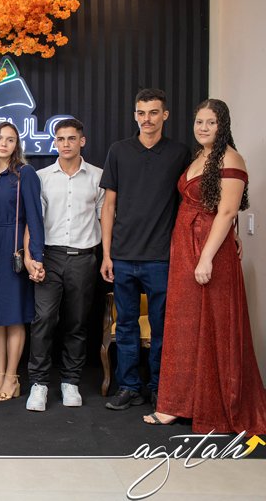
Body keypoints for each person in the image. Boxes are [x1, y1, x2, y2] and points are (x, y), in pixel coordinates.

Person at [144, 99, 266, 433]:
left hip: (207, 250)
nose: (203, 127)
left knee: (211, 324)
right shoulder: (201, 156)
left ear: (222, 125)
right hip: (186, 246)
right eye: (199, 121)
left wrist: (207, 257)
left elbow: (227, 211)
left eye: (211, 122)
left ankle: (210, 404)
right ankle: (178, 404)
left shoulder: (231, 158)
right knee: (185, 324)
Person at [100, 88, 192, 411]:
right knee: (125, 326)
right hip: (123, 256)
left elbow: (191, 203)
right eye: (141, 113)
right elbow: (108, 206)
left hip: (162, 258)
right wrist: (107, 254)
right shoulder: (119, 151)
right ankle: (129, 387)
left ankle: (159, 388)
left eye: (153, 112)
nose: (147, 119)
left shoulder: (180, 153)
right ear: (134, 116)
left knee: (163, 327)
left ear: (165, 115)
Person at [26, 119, 104, 411]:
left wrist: (107, 255)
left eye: (72, 138)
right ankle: (39, 384)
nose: (66, 144)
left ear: (82, 141)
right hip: (50, 256)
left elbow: (104, 218)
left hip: (84, 257)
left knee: (77, 322)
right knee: (44, 319)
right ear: (55, 143)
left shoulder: (98, 176)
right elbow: (33, 221)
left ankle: (71, 382)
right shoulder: (42, 177)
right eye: (61, 139)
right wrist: (32, 257)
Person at [0, 122, 44, 402]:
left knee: (13, 315)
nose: (4, 143)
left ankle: (12, 377)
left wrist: (34, 256)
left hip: (12, 249)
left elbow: (34, 218)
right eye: (0, 138)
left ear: (17, 145)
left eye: (11, 139)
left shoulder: (25, 174)